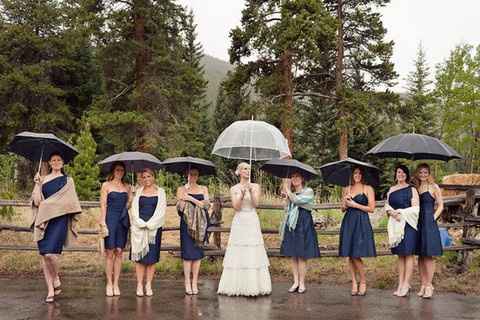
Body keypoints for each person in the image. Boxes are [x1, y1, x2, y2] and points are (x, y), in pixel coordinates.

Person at [31, 153, 82, 303]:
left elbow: (70, 202)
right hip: (44, 220)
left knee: (51, 255)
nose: (56, 162)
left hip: (59, 220)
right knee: (44, 255)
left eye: (59, 160)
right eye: (53, 160)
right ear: (49, 162)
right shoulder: (43, 179)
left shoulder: (68, 181)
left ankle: (56, 276)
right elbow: (37, 201)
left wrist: (50, 205)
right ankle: (50, 290)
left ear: (63, 162)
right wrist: (37, 184)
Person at [217, 162, 271, 296]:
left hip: (252, 219)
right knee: (238, 248)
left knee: (252, 248)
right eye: (245, 169)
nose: (247, 171)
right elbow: (236, 207)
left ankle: (254, 285)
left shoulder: (256, 186)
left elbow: (256, 204)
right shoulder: (234, 188)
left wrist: (252, 192)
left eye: (249, 169)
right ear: (239, 172)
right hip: (240, 220)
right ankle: (236, 285)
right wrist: (241, 194)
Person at [279, 172, 320, 294]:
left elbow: (297, 200)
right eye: (292, 177)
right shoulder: (291, 194)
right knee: (293, 254)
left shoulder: (308, 191)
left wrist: (288, 191)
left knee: (302, 255)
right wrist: (286, 199)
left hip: (304, 223)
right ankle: (295, 282)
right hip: (292, 224)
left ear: (302, 178)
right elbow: (286, 209)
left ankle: (302, 283)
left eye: (297, 176)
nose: (294, 179)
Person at [339, 167, 376, 296]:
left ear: (363, 175)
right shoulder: (347, 188)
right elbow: (343, 209)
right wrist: (345, 201)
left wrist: (355, 205)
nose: (357, 175)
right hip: (348, 221)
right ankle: (354, 282)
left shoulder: (368, 188)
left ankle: (363, 281)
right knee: (350, 253)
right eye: (355, 173)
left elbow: (371, 208)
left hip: (361, 221)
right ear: (352, 175)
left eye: (360, 173)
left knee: (356, 254)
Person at [129, 168, 166, 297]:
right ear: (141, 179)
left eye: (149, 176)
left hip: (154, 230)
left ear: (153, 177)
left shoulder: (161, 192)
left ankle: (148, 284)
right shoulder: (138, 192)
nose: (146, 179)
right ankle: (139, 284)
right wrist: (140, 223)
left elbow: (161, 211)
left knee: (151, 259)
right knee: (140, 258)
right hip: (139, 228)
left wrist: (150, 225)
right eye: (144, 177)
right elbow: (133, 211)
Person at [385, 164, 419, 297]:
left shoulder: (412, 189)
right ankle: (400, 283)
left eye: (403, 173)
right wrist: (392, 213)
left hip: (408, 225)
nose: (401, 174)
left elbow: (415, 208)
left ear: (407, 175)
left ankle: (406, 284)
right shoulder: (391, 189)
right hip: (395, 225)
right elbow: (387, 207)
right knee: (400, 255)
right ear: (395, 174)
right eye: (398, 172)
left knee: (408, 254)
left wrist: (400, 213)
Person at [99, 162, 132, 297]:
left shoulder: (127, 187)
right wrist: (102, 221)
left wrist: (131, 195)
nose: (120, 172)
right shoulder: (106, 185)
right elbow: (103, 205)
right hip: (110, 220)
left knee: (119, 251)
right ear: (113, 171)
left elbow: (129, 205)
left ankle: (116, 283)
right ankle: (109, 283)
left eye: (122, 170)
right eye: (117, 169)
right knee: (110, 252)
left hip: (123, 221)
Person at [176, 168, 210, 295]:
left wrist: (190, 198)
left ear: (198, 175)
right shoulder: (181, 189)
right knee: (187, 254)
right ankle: (187, 283)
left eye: (195, 174)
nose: (193, 176)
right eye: (191, 174)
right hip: (186, 224)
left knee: (197, 254)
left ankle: (195, 282)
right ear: (187, 175)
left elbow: (206, 205)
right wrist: (187, 197)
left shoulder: (203, 188)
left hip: (201, 225)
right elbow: (179, 206)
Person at [413, 163, 444, 299]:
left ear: (429, 173)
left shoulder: (434, 187)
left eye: (425, 172)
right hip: (417, 223)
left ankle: (430, 285)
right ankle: (423, 284)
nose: (423, 175)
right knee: (420, 255)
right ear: (418, 173)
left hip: (429, 223)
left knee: (429, 255)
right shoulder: (416, 187)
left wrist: (433, 217)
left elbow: (441, 205)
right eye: (421, 172)